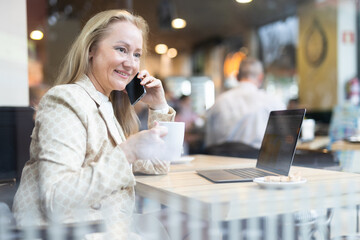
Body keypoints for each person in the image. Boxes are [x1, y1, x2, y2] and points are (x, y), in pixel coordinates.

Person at [13, 10, 175, 239]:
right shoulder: (65, 100)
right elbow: (57, 199)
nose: (131, 64)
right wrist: (127, 152)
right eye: (121, 49)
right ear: (91, 50)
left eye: (137, 54)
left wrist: (158, 106)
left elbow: (159, 165)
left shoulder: (106, 105)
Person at [205, 57, 285, 149]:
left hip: (222, 161)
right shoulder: (274, 102)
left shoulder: (219, 102)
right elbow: (283, 141)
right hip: (258, 161)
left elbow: (209, 144)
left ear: (237, 77)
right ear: (260, 77)